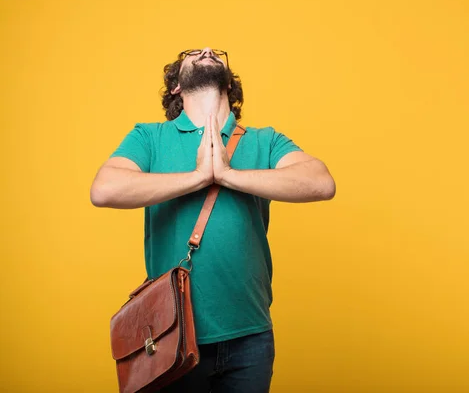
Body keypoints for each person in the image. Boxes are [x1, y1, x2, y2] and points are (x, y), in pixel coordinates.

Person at [90, 47, 336, 393]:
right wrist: (198, 176)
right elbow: (103, 190)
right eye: (193, 53)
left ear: (230, 84)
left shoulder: (264, 139)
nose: (206, 51)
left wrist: (227, 174)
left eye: (215, 52)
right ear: (176, 86)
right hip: (170, 335)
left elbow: (321, 183)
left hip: (250, 336)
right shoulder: (149, 137)